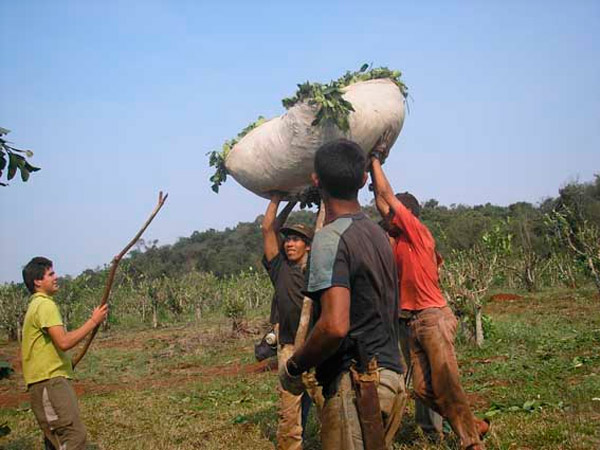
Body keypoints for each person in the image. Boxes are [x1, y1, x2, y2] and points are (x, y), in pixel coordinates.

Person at [279, 139, 406, 450]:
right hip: (390, 377)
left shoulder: (329, 239)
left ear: (316, 181)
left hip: (357, 385)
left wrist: (296, 365)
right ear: (364, 180)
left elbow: (335, 326)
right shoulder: (377, 234)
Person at [369, 132, 489, 450]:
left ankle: (470, 442)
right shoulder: (398, 244)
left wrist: (374, 160)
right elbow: (381, 201)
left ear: (405, 216)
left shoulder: (418, 234)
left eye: (392, 214)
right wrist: (371, 173)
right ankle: (473, 425)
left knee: (447, 385)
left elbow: (386, 197)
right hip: (413, 322)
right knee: (422, 390)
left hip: (433, 318)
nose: (386, 216)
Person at [21, 256, 108, 450]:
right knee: (73, 438)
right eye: (50, 274)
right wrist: (93, 321)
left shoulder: (36, 305)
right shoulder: (45, 305)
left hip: (49, 381)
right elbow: (64, 341)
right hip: (49, 383)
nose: (56, 277)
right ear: (38, 281)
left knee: (57, 441)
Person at [262, 195, 318, 450]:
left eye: (296, 239)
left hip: (317, 346)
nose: (289, 244)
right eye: (288, 239)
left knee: (327, 402)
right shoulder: (279, 268)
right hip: (289, 348)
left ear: (308, 245)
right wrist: (283, 199)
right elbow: (268, 228)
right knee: (290, 407)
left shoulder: (318, 269)